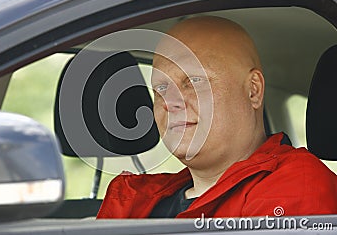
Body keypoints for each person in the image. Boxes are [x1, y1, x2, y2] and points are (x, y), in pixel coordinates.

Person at [96, 16, 337, 218]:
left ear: (253, 90)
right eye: (161, 89)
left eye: (193, 82)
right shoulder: (134, 199)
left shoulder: (299, 189)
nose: (171, 102)